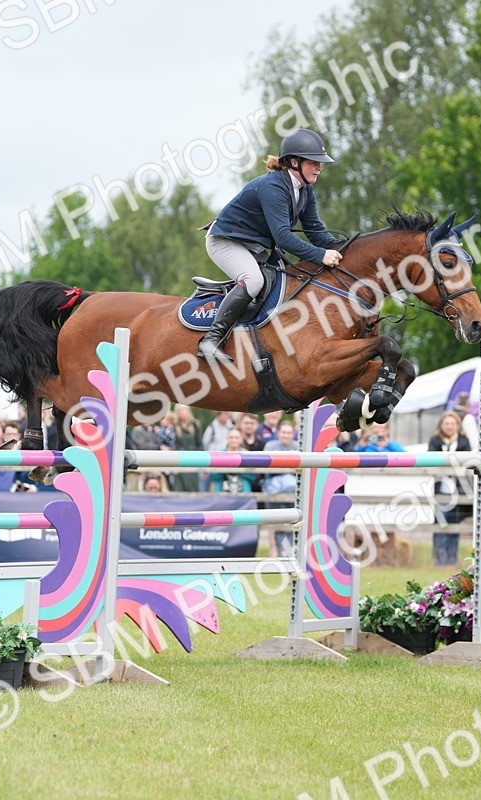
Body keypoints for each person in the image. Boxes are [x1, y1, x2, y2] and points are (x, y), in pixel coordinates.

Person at [198, 128, 343, 364]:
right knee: (254, 280)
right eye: (314, 162)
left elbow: (316, 231)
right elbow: (284, 237)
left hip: (256, 247)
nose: (319, 167)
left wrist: (345, 249)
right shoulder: (273, 187)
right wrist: (320, 255)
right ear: (293, 162)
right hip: (225, 241)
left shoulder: (305, 190)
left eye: (320, 163)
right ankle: (211, 340)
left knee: (292, 282)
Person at [427, 411, 472, 566]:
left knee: (454, 526)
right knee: (440, 524)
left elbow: (467, 462)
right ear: (441, 425)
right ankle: (439, 560)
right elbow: (431, 460)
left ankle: (451, 560)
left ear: (457, 426)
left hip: (459, 490)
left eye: (452, 424)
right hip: (441, 489)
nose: (449, 426)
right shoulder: (435, 441)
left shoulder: (464, 441)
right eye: (447, 423)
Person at [262, 421, 301, 557]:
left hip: (295, 490)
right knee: (274, 520)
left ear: (293, 434)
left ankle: (291, 551)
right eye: (284, 432)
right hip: (274, 489)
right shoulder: (270, 446)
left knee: (293, 521)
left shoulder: (298, 446)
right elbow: (268, 467)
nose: (286, 435)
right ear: (278, 433)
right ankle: (274, 549)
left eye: (289, 433)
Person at [210, 429, 254, 494]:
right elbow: (213, 476)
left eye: (236, 437)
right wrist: (225, 468)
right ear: (227, 438)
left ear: (241, 439)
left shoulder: (247, 454)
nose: (234, 440)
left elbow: (252, 476)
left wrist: (238, 469)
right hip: (222, 490)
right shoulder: (219, 454)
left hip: (243, 490)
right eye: (231, 437)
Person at [170, 405, 203, 492]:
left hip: (193, 459)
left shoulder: (195, 425)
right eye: (180, 410)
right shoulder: (174, 426)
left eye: (184, 410)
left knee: (193, 486)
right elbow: (172, 444)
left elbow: (199, 444)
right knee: (179, 487)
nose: (183, 412)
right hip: (179, 460)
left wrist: (197, 458)